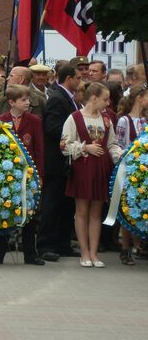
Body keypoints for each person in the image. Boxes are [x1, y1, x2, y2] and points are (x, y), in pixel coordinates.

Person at [61, 81, 123, 268]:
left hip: (101, 168)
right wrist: (85, 147)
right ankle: (84, 252)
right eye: (105, 99)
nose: (108, 103)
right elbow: (64, 145)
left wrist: (121, 158)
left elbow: (112, 144)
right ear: (94, 98)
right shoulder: (74, 118)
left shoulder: (106, 119)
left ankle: (94, 253)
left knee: (97, 212)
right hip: (83, 168)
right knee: (82, 211)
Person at [0, 85, 46, 266]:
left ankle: (30, 253)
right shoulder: (1, 120)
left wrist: (39, 174)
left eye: (28, 99)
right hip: (6, 175)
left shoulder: (34, 121)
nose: (28, 103)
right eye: (23, 100)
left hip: (28, 174)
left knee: (29, 212)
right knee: (3, 209)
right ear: (11, 102)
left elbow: (39, 149)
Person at [37, 63, 81, 261]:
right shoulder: (57, 98)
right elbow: (52, 127)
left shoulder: (69, 99)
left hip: (67, 161)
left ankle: (63, 242)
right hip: (55, 161)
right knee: (52, 203)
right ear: (69, 78)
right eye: (78, 78)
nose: (80, 82)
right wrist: (74, 136)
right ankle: (46, 244)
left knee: (66, 204)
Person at [114, 83, 148, 265]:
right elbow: (119, 146)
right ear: (139, 99)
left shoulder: (145, 121)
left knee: (141, 206)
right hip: (128, 170)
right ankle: (125, 247)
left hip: (143, 171)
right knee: (127, 209)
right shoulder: (124, 121)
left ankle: (140, 244)